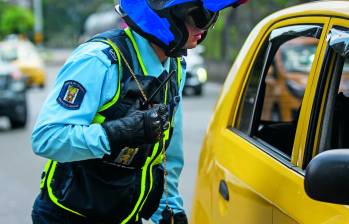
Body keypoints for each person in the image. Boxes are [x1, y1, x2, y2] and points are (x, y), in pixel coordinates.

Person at [31, 0, 247, 223]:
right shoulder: (100, 60)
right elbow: (46, 138)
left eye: (212, 17)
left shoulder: (175, 67)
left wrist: (169, 208)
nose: (204, 28)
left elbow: (167, 152)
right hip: (69, 215)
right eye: (199, 17)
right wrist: (117, 133)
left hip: (126, 215)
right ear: (162, 12)